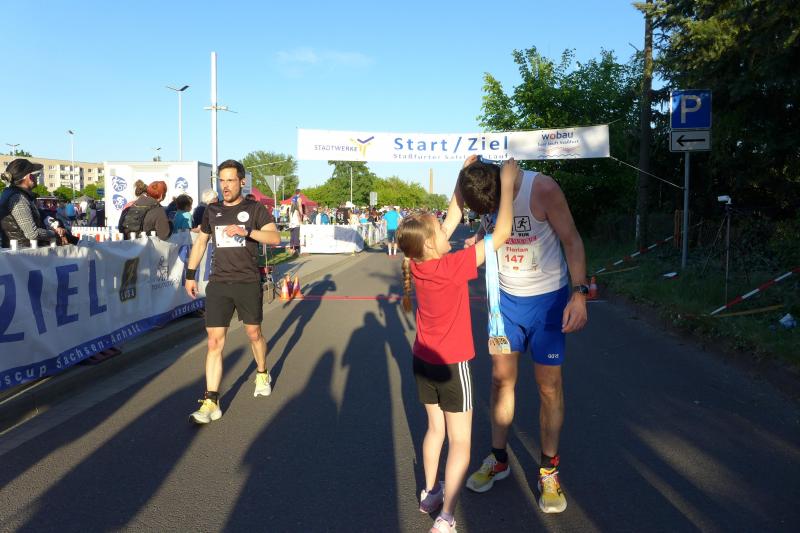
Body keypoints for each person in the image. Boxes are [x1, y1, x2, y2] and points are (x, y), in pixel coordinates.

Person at [459, 156, 589, 514]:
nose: (492, 213)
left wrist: (579, 293)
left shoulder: (541, 188)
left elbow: (572, 241)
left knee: (549, 386)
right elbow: (490, 227)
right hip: (504, 303)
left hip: (547, 302)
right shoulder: (484, 186)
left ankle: (549, 469)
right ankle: (498, 458)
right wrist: (477, 236)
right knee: (501, 380)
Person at [397, 158, 516, 533]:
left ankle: (430, 492)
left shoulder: (419, 263)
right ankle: (447, 516)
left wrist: (461, 180)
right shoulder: (452, 266)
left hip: (423, 361)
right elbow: (502, 234)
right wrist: (507, 185)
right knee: (460, 441)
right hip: (452, 366)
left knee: (434, 430)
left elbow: (451, 215)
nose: (446, 225)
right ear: (430, 243)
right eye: (439, 228)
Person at [184, 159, 281, 425]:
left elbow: (275, 238)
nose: (225, 186)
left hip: (247, 281)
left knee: (254, 333)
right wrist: (190, 275)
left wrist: (247, 231)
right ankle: (211, 401)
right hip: (219, 282)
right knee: (214, 342)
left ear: (242, 181)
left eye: (230, 180)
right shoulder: (212, 210)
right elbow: (201, 242)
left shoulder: (254, 208)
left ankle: (262, 372)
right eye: (221, 181)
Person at [0, 158, 66, 248]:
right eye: (37, 175)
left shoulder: (13, 194)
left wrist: (54, 226)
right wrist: (55, 234)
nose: (37, 178)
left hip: (19, 250)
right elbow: (32, 233)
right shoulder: (18, 198)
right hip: (24, 252)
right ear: (30, 177)